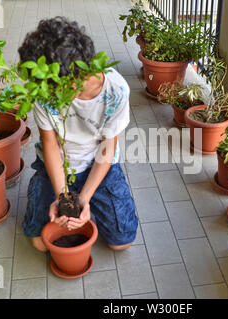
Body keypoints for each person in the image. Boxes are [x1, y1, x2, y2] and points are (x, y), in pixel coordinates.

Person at [18, 17, 138, 252]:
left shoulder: (116, 91)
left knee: (122, 242)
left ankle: (89, 199)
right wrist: (63, 199)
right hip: (57, 165)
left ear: (73, 79)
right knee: (40, 243)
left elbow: (107, 148)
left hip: (99, 165)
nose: (46, 93)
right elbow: (50, 146)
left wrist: (84, 197)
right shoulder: (44, 90)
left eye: (52, 87)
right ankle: (51, 189)